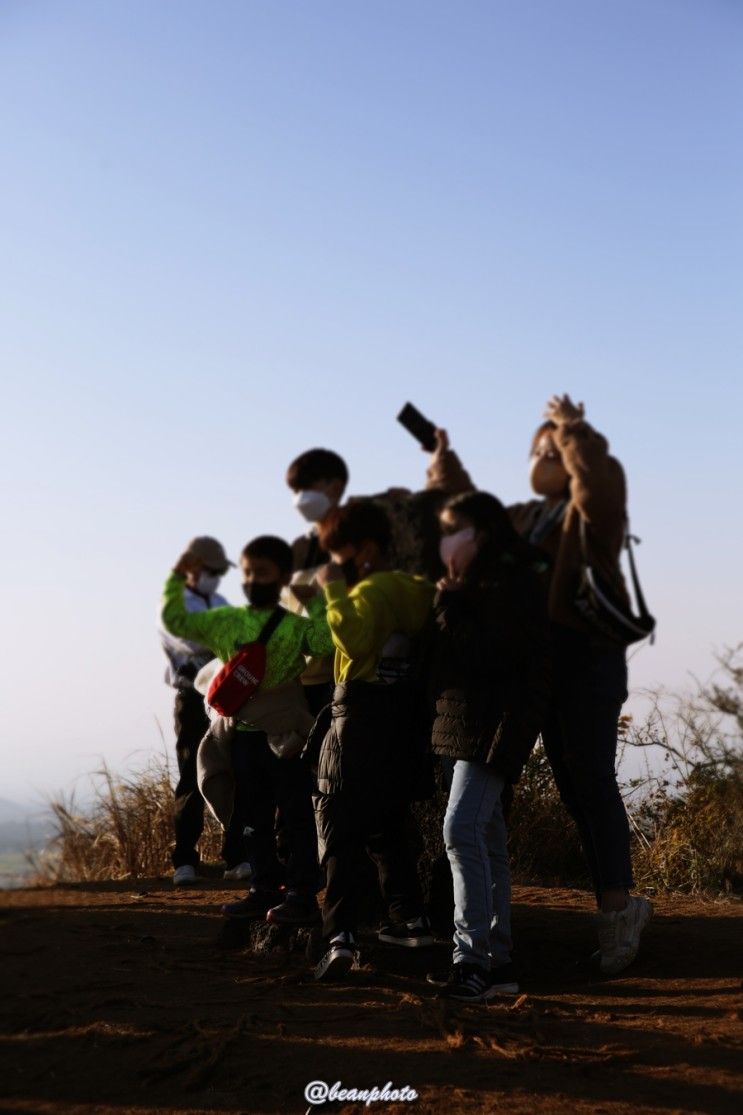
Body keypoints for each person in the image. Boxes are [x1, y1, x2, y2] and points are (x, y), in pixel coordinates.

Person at [507, 394, 653, 975]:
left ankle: (618, 916)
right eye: (538, 450)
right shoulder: (531, 516)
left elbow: (594, 479)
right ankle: (620, 905)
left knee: (591, 780)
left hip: (590, 659)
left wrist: (571, 430)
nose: (546, 458)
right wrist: (441, 464)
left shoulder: (593, 508)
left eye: (553, 450)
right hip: (543, 663)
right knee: (573, 787)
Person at [161, 535, 334, 925]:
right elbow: (176, 621)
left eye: (263, 573)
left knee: (293, 817)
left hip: (283, 738)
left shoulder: (273, 625)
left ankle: (300, 893)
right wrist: (178, 575)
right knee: (254, 819)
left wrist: (314, 599)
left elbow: (326, 641)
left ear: (282, 577)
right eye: (249, 572)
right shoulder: (233, 621)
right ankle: (265, 888)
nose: (254, 579)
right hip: (246, 735)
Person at [427, 492, 550, 1001]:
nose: (448, 540)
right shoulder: (484, 582)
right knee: (488, 839)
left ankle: (471, 962)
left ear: (481, 533)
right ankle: (497, 963)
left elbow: (491, 658)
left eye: (456, 530)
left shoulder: (510, 583)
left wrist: (452, 601)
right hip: (472, 725)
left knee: (461, 830)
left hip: (492, 727)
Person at [310, 500, 436, 981]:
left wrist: (333, 590)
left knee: (338, 820)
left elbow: (354, 641)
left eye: (338, 553)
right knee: (388, 822)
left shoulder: (372, 590)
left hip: (356, 716)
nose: (333, 563)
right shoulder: (416, 590)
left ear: (364, 549)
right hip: (402, 717)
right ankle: (410, 918)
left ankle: (339, 935)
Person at [159, 535, 250, 886]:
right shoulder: (174, 606)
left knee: (234, 771)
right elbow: (197, 640)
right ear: (193, 569)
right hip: (191, 699)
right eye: (210, 569)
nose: (215, 576)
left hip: (225, 696)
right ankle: (184, 859)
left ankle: (236, 855)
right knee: (189, 776)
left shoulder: (219, 600)